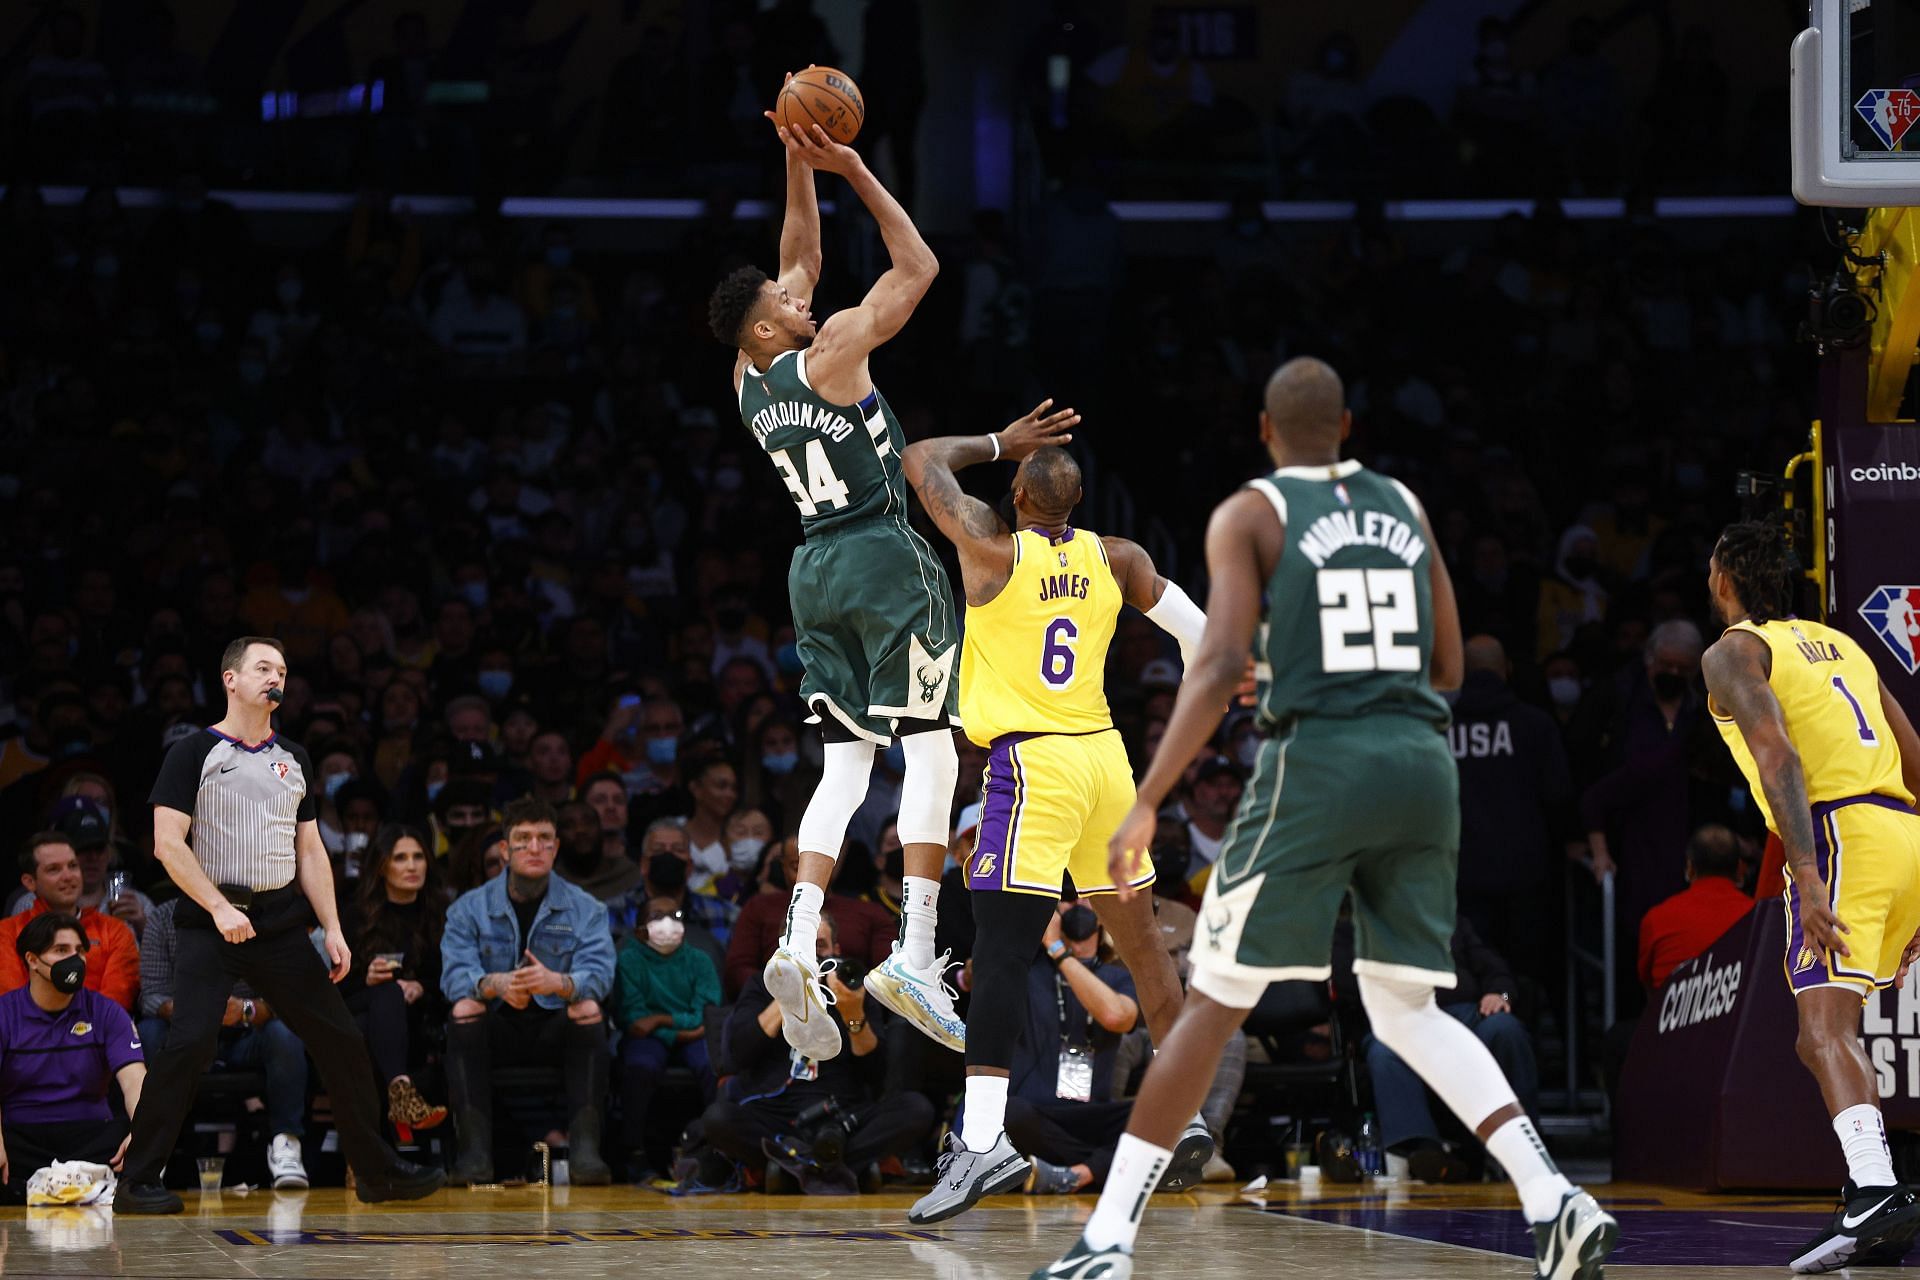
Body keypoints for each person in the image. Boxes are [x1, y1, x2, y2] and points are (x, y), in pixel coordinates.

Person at [1032, 359, 1616, 1280]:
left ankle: (1106, 1241)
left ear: (1265, 433)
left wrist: (1148, 799)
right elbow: (1454, 670)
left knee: (1211, 1005)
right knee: (1406, 1006)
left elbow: (1220, 662)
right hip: (1424, 766)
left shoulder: (1251, 513)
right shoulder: (1408, 510)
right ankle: (1554, 1197)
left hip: (1323, 763)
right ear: (1346, 426)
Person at [899, 405, 1214, 1224]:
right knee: (1142, 942)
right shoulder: (1120, 558)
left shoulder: (990, 550)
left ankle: (981, 1146)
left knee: (1000, 952)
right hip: (1106, 760)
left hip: (1033, 763)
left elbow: (920, 456)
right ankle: (1187, 1114)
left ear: (1015, 493)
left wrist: (1005, 441)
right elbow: (1203, 639)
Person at [705, 103, 961, 1060]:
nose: (799, 297)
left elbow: (799, 254)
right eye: (783, 303)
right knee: (934, 752)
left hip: (812, 570)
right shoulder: (835, 354)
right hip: (884, 557)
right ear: (769, 327)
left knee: (846, 767)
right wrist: (853, 165)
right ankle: (920, 953)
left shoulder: (748, 374)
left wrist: (793, 158)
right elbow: (920, 268)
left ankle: (796, 927)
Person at [119, 637, 442, 1213]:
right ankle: (139, 1180)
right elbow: (167, 844)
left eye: (283, 670)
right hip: (208, 922)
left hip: (280, 921)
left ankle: (376, 1172)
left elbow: (311, 849)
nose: (276, 677)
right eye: (263, 667)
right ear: (231, 680)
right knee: (190, 1043)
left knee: (341, 1039)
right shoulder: (193, 752)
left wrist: (333, 927)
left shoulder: (293, 756)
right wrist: (219, 907)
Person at [1699, 520, 1920, 1272]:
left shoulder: (1733, 651)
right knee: (1823, 1031)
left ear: (1725, 580)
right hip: (1902, 829)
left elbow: (1779, 756)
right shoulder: (1846, 646)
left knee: (1825, 1030)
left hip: (1839, 834)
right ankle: (1873, 1200)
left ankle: (1875, 1190)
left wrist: (1808, 870)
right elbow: (1915, 758)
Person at [440, 796, 617, 1186]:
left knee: (587, 1007)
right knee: (465, 1008)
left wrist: (561, 983)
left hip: (556, 1026)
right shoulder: (468, 909)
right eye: (523, 839)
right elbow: (453, 977)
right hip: (498, 1026)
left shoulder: (586, 908)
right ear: (505, 849)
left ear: (556, 847)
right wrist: (494, 984)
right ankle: (474, 1153)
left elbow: (601, 974)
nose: (534, 848)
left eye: (544, 839)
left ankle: (586, 1150)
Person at [700, 914, 935, 1192]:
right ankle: (837, 1166)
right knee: (718, 1119)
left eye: (820, 946)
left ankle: (791, 1167)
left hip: (844, 1115)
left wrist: (853, 1015)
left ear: (836, 949)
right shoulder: (761, 985)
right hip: (776, 1114)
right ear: (785, 949)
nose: (812, 957)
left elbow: (877, 1075)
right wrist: (785, 996)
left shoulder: (852, 986)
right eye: (803, 948)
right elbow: (736, 1055)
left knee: (916, 1109)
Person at [1343, 915, 1538, 1184]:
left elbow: (1496, 969)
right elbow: (1347, 986)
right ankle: (1422, 1152)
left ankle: (1524, 1147)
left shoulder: (1449, 919)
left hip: (1463, 1013)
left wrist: (1499, 993)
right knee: (1384, 1052)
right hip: (1399, 1016)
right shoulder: (1366, 925)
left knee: (1504, 1028)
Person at [137, 897, 314, 1189]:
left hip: (245, 1034)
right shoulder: (165, 916)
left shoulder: (264, 913)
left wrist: (246, 1009)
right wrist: (198, 1009)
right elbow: (151, 995)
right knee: (149, 1032)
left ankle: (286, 1142)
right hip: (186, 1032)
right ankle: (152, 1150)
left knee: (284, 1032)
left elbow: (288, 994)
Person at [0, 912, 146, 1203]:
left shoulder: (106, 1012)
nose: (75, 960)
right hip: (22, 1137)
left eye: (79, 951)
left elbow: (135, 1080)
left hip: (92, 1137)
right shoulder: (5, 1013)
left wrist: (144, 1132)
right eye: (61, 951)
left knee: (136, 1142)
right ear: (32, 960)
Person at [1005, 902, 1144, 1196]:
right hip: (1036, 1117)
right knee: (1009, 1112)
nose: (1078, 907)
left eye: (1087, 898)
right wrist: (1039, 929)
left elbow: (1118, 1017)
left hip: (1092, 1115)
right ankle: (1097, 1169)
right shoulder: (1026, 968)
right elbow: (981, 969)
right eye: (1069, 897)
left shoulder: (1118, 976)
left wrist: (1061, 952)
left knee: (1162, 1113)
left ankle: (1074, 1175)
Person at [341, 825, 450, 1141]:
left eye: (418, 857)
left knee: (365, 1034)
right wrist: (366, 979)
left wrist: (422, 988)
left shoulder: (441, 913)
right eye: (400, 858)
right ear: (382, 865)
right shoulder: (356, 916)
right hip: (360, 1003)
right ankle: (401, 1095)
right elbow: (335, 989)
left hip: (418, 1021)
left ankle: (367, 1153)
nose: (412, 866)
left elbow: (451, 978)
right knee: (385, 992)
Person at [615, 896, 720, 1173]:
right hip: (652, 1039)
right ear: (639, 930)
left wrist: (660, 1019)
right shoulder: (628, 960)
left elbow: (704, 1015)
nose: (667, 922)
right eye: (657, 916)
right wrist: (680, 1031)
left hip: (689, 1036)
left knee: (712, 1066)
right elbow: (634, 1020)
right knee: (640, 1066)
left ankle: (719, 1151)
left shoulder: (700, 960)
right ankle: (633, 1152)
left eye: (674, 915)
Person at [0, 832, 140, 1012]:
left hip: (95, 1034)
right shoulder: (8, 932)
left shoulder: (115, 931)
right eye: (54, 869)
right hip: (29, 1036)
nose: (68, 876)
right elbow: (10, 1003)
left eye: (73, 866)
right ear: (30, 882)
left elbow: (116, 1001)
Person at [1636, 824, 1754, 990]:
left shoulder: (1656, 919)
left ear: (1690, 868)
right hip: (1743, 1015)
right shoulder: (1760, 919)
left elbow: (1649, 989)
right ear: (1740, 869)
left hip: (1671, 1015)